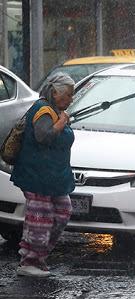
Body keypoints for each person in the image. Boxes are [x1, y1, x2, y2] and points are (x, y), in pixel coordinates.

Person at [10, 72, 75, 277]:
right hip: (37, 177)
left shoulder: (56, 111)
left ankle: (39, 255)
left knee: (63, 212)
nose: (71, 99)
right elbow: (43, 136)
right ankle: (29, 261)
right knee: (40, 218)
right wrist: (61, 124)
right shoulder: (43, 109)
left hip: (53, 177)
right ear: (55, 93)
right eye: (68, 94)